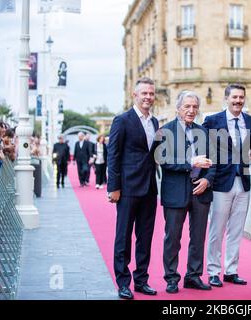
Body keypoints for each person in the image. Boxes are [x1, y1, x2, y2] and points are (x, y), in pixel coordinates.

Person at [157, 91, 215, 294]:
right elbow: (164, 161)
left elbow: (214, 161)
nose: (191, 110)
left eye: (194, 107)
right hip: (175, 192)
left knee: (198, 237)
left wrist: (208, 180)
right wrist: (191, 162)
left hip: (201, 191)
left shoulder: (204, 132)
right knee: (173, 237)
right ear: (178, 108)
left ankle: (193, 276)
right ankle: (171, 278)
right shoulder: (164, 131)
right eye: (187, 106)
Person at [107, 77, 159, 300]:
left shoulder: (155, 122)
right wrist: (114, 187)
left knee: (145, 237)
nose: (148, 97)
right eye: (144, 93)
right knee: (124, 237)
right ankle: (123, 283)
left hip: (149, 188)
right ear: (134, 95)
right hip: (127, 188)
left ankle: (141, 280)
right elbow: (113, 155)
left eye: (151, 93)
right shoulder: (122, 120)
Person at [202, 83, 251, 287]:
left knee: (236, 230)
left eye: (241, 97)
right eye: (234, 97)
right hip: (220, 183)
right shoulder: (212, 121)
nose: (238, 101)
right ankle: (214, 271)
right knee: (217, 230)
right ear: (227, 98)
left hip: (243, 182)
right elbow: (204, 149)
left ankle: (231, 271)